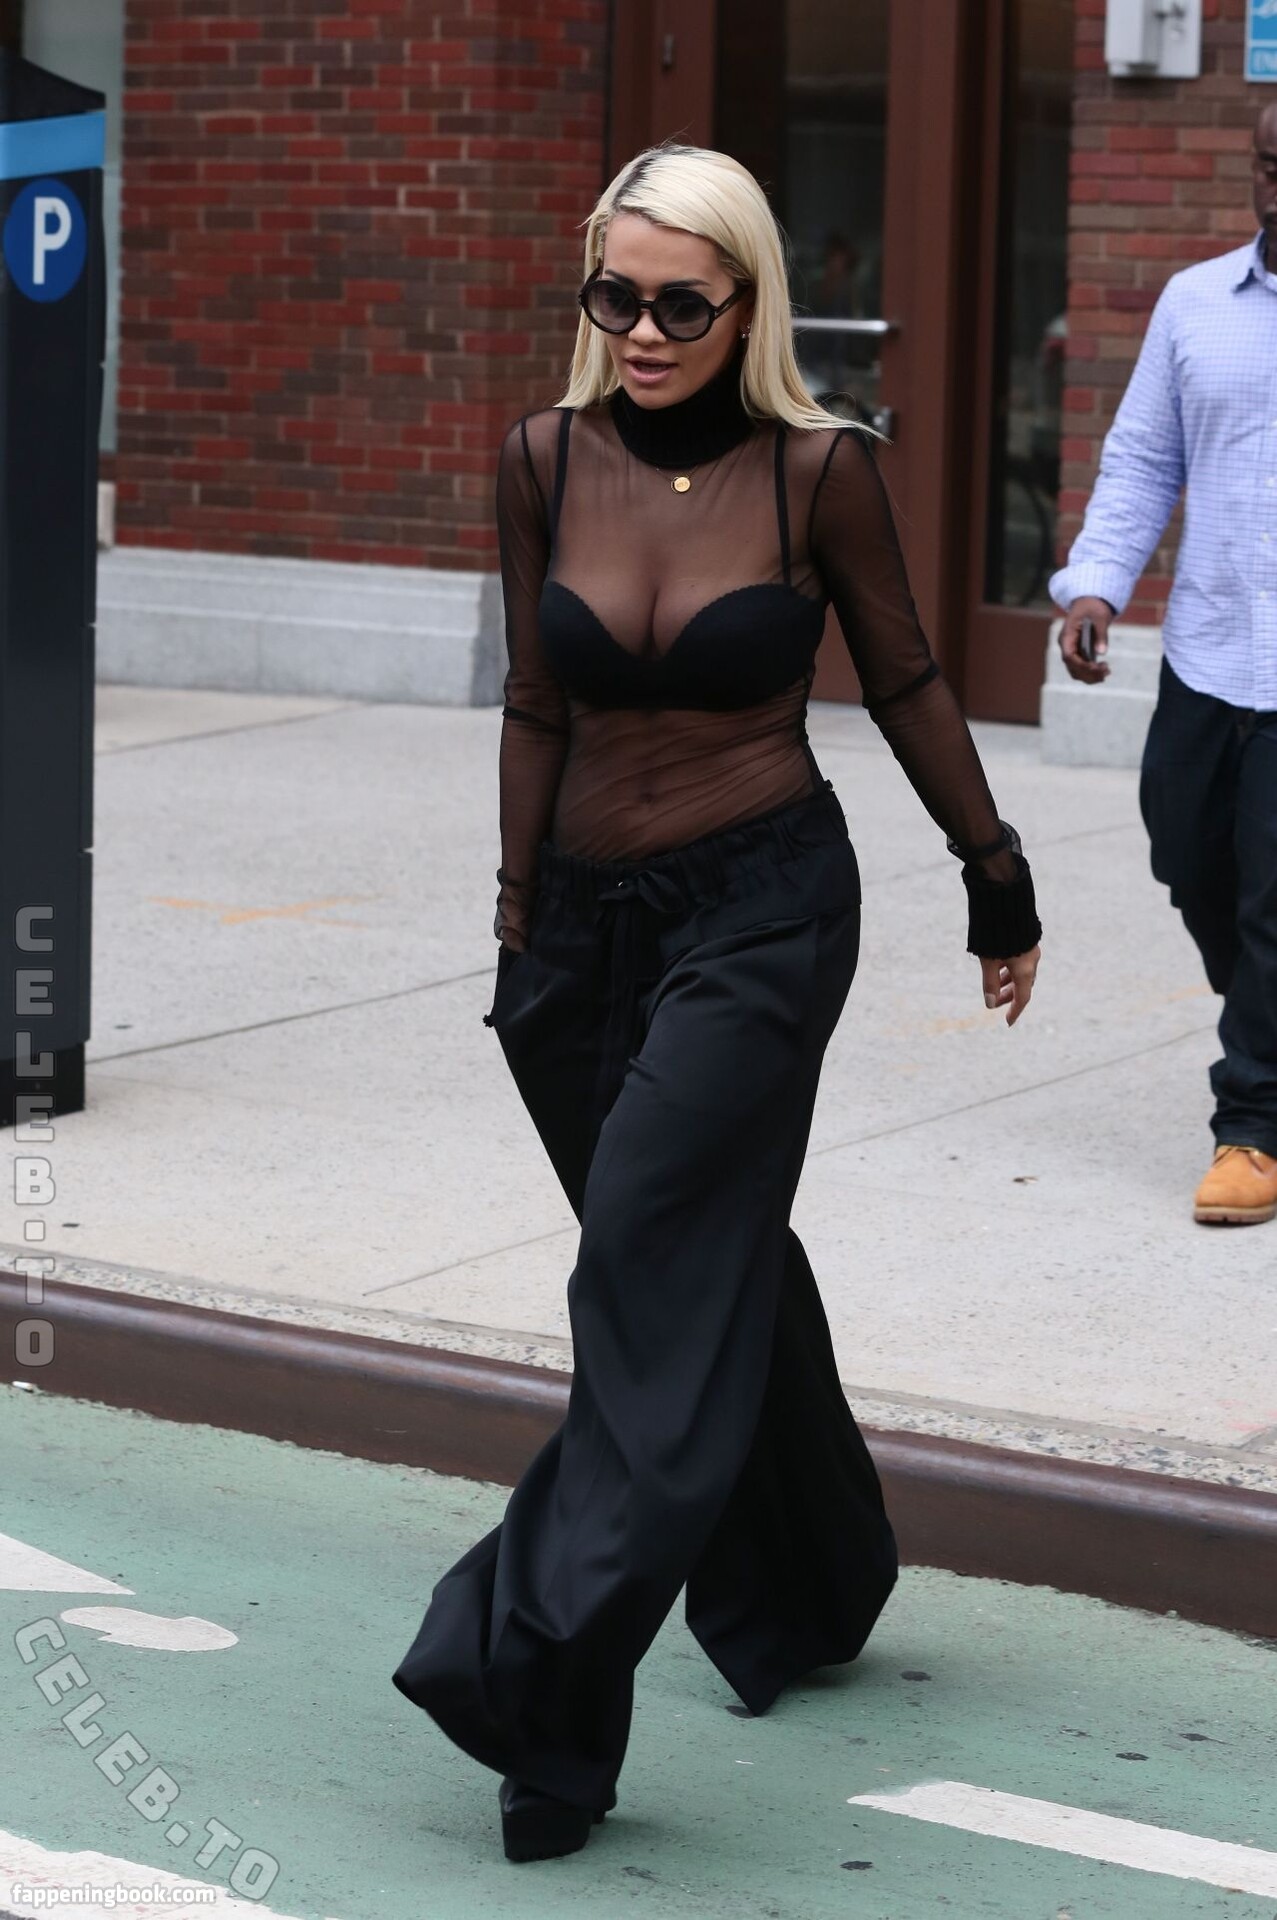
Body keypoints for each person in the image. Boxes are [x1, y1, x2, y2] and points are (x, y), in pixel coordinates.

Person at [391, 140, 1043, 1865]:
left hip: (761, 913)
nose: (643, 330)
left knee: (647, 1266)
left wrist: (993, 870)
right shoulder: (542, 456)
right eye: (616, 296)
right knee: (705, 1250)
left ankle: (535, 1678)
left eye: (682, 304)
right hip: (576, 938)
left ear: (748, 305)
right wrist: (516, 920)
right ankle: (814, 1575)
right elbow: (537, 704)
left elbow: (903, 673)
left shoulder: (820, 470)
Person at [1050, 102, 1277, 1229]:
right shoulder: (1194, 303)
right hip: (1208, 653)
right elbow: (1143, 457)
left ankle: (1252, 1124)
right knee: (1185, 851)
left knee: (1273, 897)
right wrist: (1095, 585)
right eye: (1269, 166)